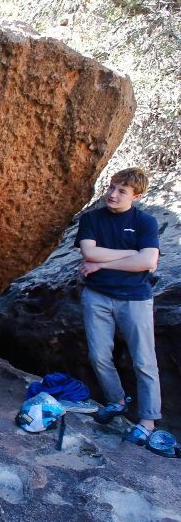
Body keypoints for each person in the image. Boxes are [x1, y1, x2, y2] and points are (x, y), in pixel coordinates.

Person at [75, 167, 161, 445]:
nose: (112, 194)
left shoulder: (145, 222)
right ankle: (116, 400)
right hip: (97, 296)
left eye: (121, 191)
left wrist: (101, 263)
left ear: (135, 196)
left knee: (144, 361)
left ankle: (148, 420)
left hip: (135, 299)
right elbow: (89, 251)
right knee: (99, 355)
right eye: (111, 187)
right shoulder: (91, 219)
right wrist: (130, 254)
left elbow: (147, 262)